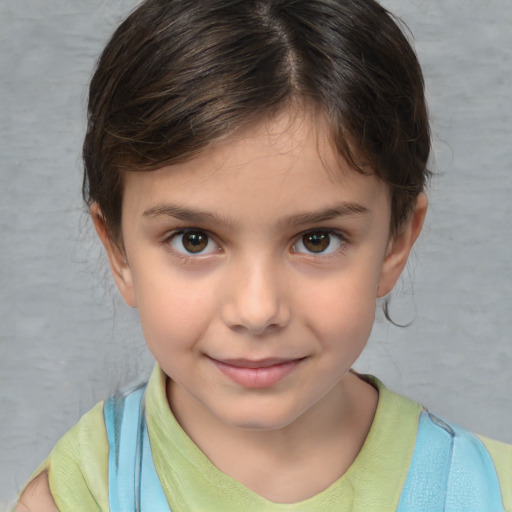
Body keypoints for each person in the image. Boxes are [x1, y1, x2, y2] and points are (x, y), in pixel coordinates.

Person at [15, 0, 512, 510]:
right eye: (194, 240)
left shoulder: (487, 492)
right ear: (117, 249)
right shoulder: (79, 494)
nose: (257, 311)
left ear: (396, 242)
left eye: (317, 239)